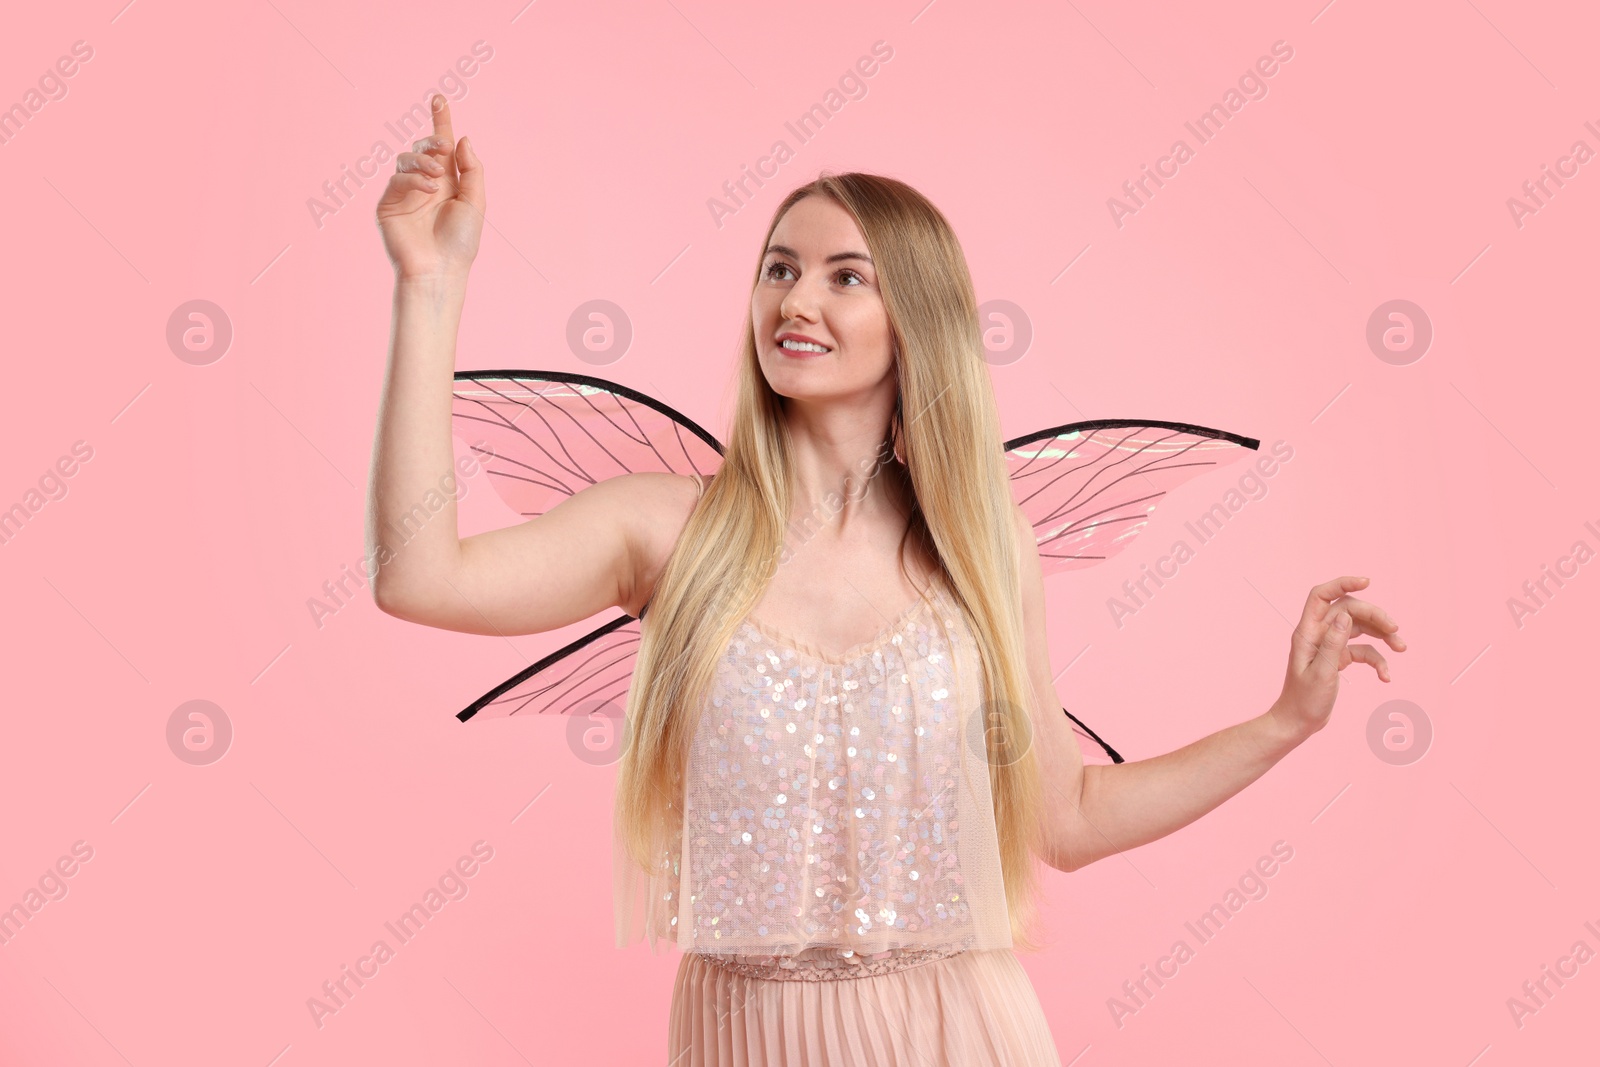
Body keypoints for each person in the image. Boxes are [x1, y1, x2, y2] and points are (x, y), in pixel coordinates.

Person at [368, 95, 1407, 1066]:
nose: (796, 299)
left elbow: (1070, 816)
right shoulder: (663, 528)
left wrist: (1284, 721)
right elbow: (422, 576)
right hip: (744, 1029)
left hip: (958, 1026)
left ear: (914, 317)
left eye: (843, 275)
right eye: (778, 268)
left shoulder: (977, 546)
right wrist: (430, 284)